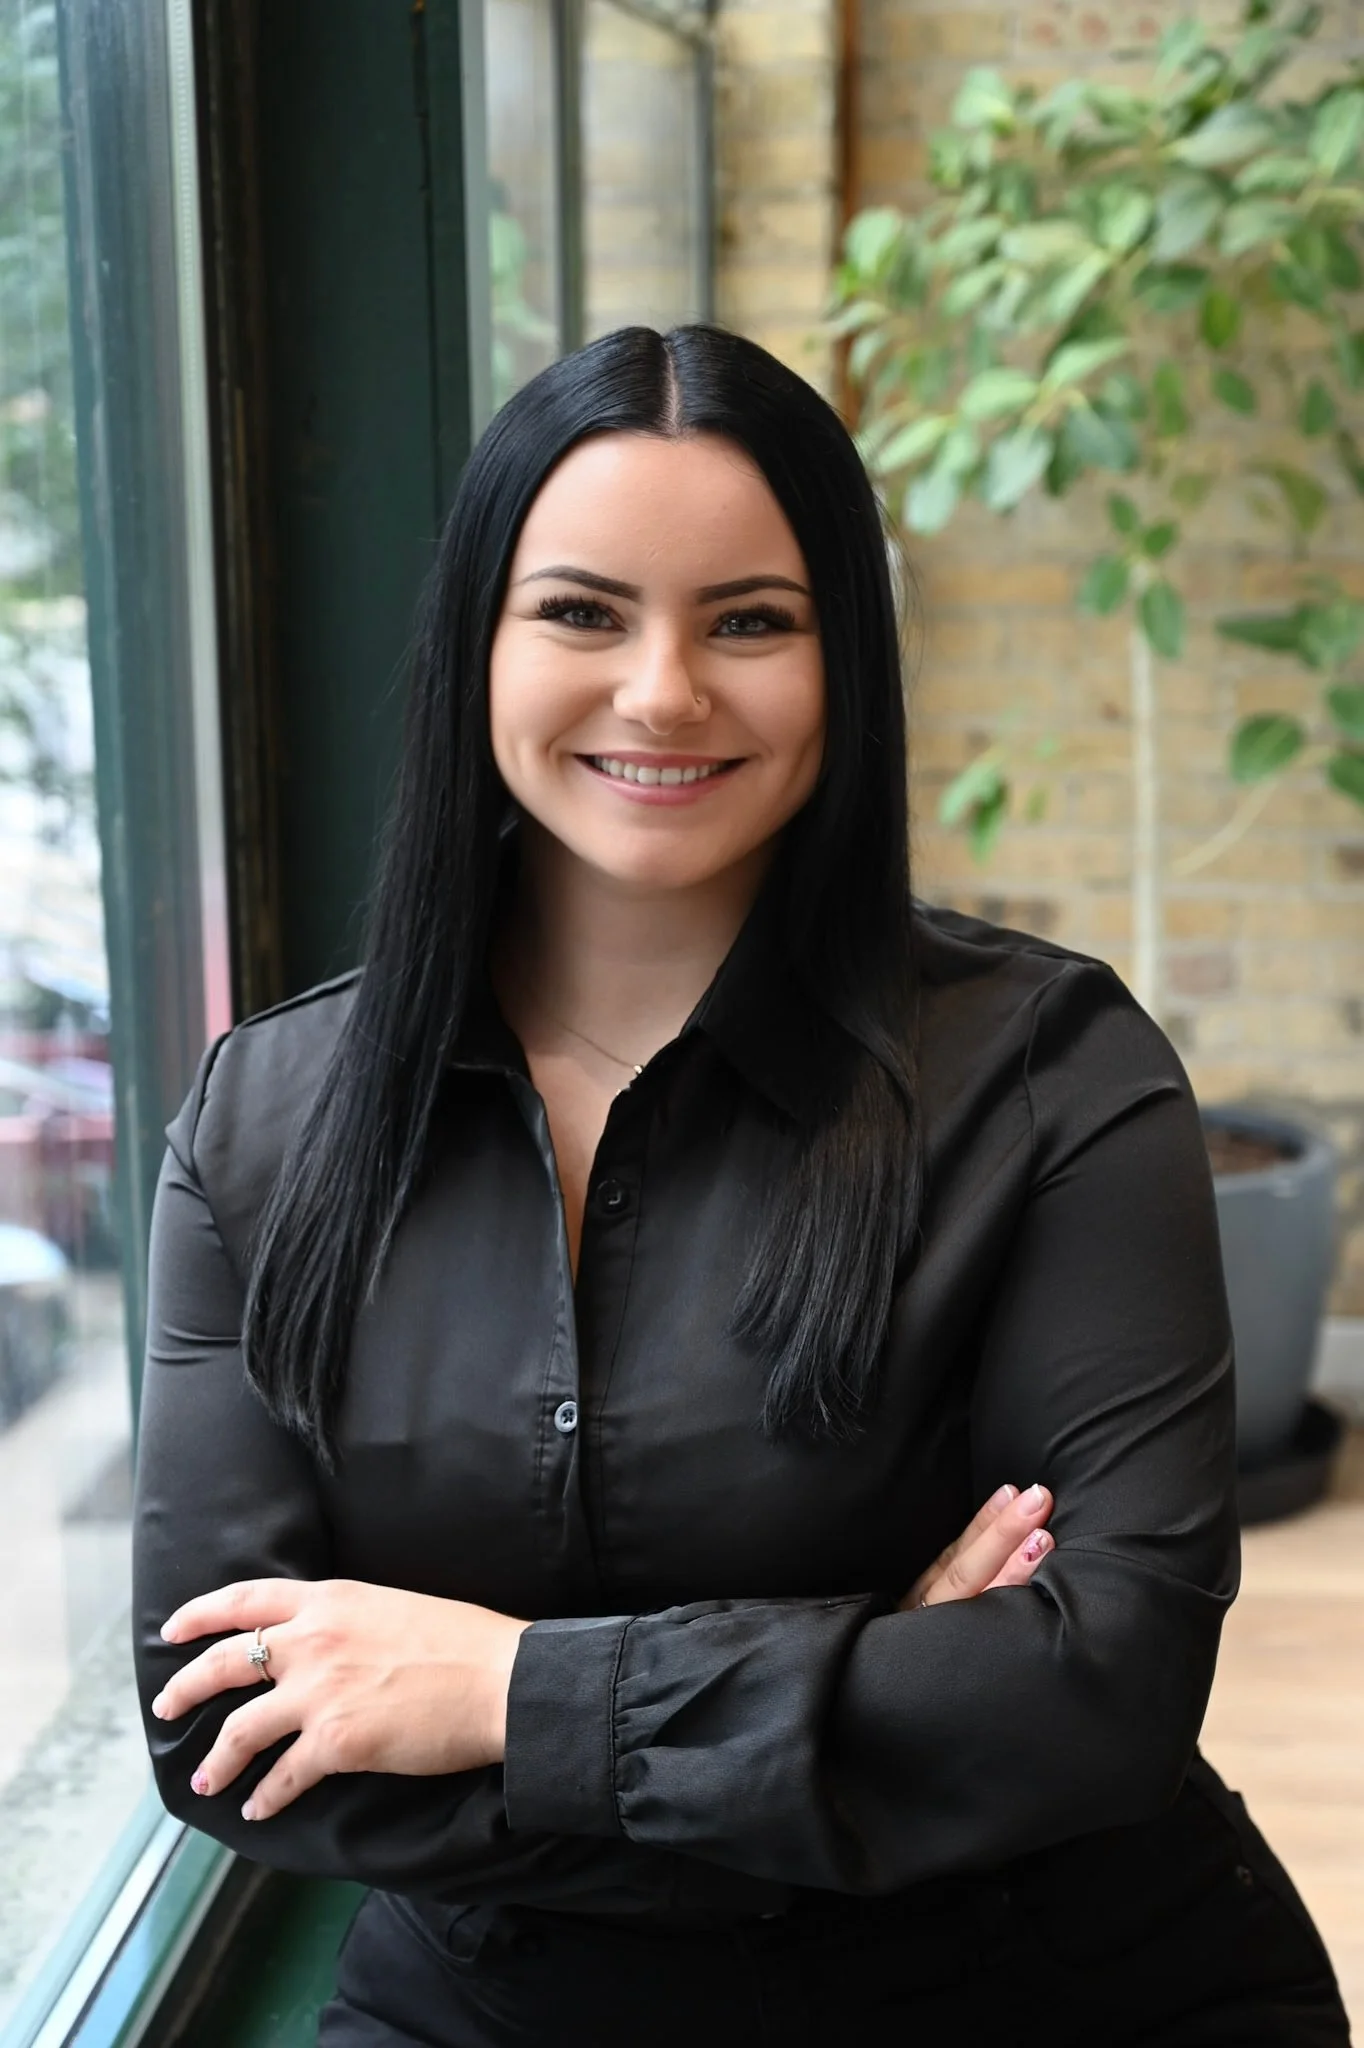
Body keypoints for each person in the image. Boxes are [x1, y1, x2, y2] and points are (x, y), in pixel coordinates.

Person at [132, 324, 1351, 2047]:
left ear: (843, 659)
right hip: (495, 2014)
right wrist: (868, 1678)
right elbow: (223, 1735)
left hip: (1042, 1996)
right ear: (474, 648)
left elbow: (1103, 1697)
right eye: (580, 611)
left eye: (750, 621)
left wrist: (500, 1689)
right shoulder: (267, 1124)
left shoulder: (1049, 1076)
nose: (662, 692)